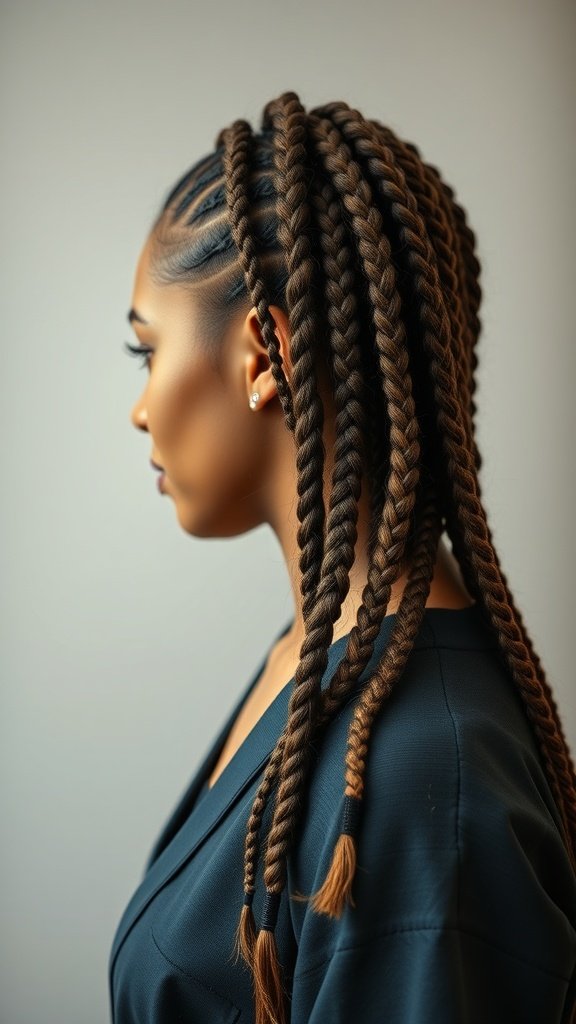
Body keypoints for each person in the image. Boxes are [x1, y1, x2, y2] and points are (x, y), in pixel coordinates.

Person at [109, 91, 576, 1023]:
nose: (140, 408)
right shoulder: (323, 651)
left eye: (144, 352)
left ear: (262, 355)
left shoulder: (421, 797)